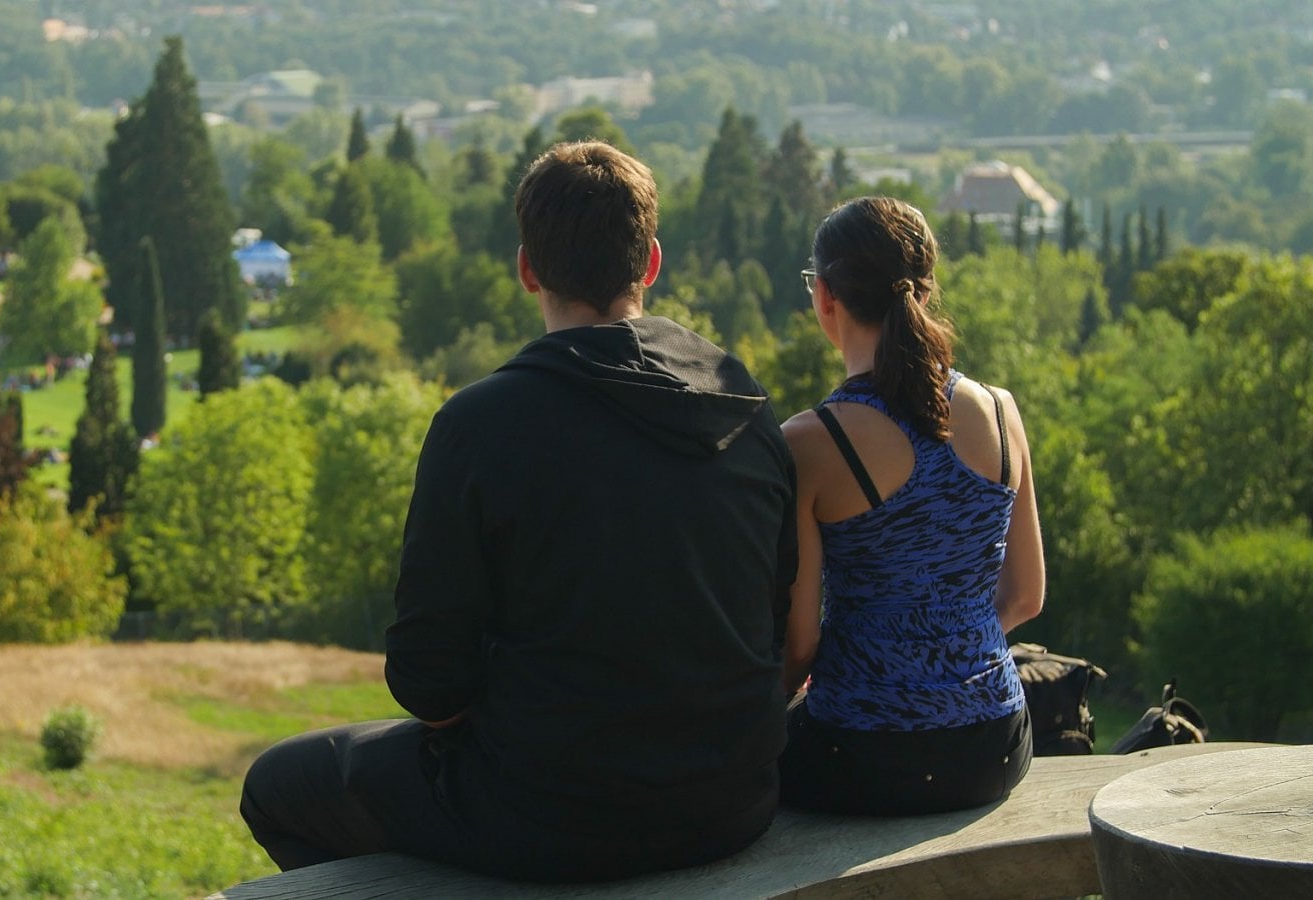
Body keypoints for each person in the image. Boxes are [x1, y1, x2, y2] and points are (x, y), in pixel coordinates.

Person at [239, 141, 798, 882]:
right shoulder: (744, 405)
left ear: (527, 268)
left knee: (276, 788)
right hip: (732, 799)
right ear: (652, 263)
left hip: (552, 810)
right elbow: (778, 622)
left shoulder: (480, 426)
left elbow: (428, 683)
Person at [777, 196, 1045, 815]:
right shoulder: (1002, 413)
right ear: (926, 290)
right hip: (997, 747)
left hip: (864, 753)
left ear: (825, 298)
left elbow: (798, 646)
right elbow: (1026, 597)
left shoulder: (811, 442)